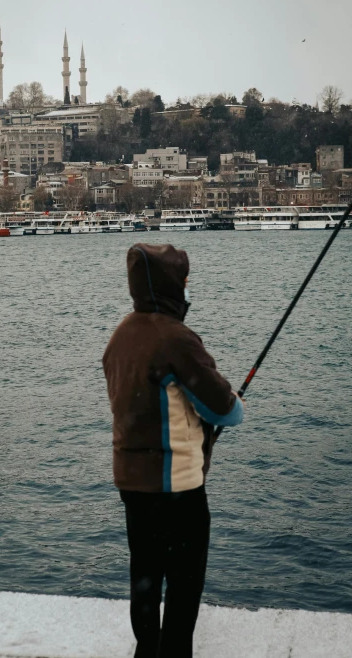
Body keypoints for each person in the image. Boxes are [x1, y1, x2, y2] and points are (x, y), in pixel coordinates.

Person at [102, 243, 245, 658]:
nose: (186, 288)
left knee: (144, 574)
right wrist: (236, 403)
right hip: (177, 487)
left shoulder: (121, 335)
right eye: (183, 281)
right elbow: (225, 409)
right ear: (172, 286)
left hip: (132, 483)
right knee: (184, 582)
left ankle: (146, 650)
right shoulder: (176, 338)